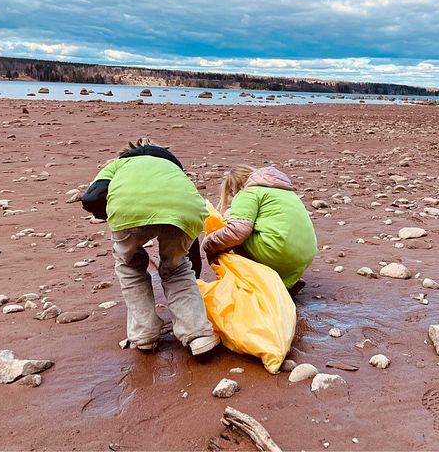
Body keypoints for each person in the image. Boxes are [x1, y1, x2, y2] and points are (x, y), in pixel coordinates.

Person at [81, 138, 219, 355]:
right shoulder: (172, 167)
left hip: (128, 210)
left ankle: (145, 334)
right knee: (177, 269)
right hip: (186, 211)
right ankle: (199, 335)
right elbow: (191, 249)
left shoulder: (118, 165)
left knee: (130, 267)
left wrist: (108, 214)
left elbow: (91, 198)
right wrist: (190, 268)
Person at [201, 165, 317, 294]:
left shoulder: (248, 193)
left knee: (229, 220)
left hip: (277, 251)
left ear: (235, 188)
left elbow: (237, 232)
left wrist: (209, 244)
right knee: (253, 227)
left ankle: (254, 279)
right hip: (305, 255)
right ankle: (286, 281)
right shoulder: (286, 192)